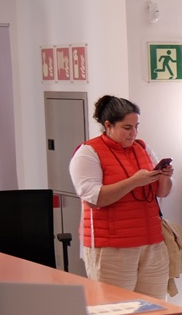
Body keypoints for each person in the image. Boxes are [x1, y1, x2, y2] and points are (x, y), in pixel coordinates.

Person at [69, 95, 173, 300]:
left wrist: (164, 177)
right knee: (115, 310)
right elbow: (94, 199)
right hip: (111, 249)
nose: (133, 133)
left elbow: (162, 193)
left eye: (136, 127)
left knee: (156, 309)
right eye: (127, 128)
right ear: (108, 125)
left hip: (151, 243)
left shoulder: (142, 148)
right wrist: (133, 182)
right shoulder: (88, 152)